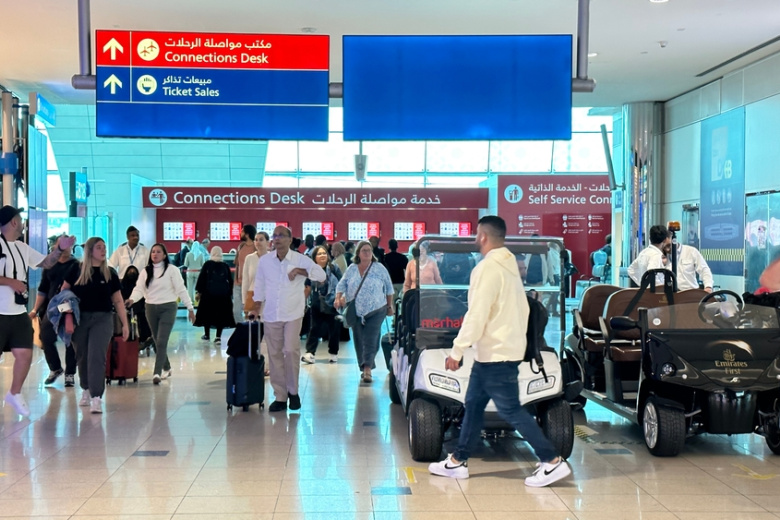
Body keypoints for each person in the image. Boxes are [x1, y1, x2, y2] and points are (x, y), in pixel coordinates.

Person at [427, 216, 572, 487]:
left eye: (476, 234)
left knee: (511, 409)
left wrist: (457, 351)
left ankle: (552, 461)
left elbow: (477, 314)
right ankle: (457, 461)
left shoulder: (487, 269)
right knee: (473, 405)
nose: (475, 239)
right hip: (499, 351)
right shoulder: (509, 266)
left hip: (496, 353)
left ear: (483, 236)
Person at [1, 206, 77, 416]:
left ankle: (14, 393)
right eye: (20, 219)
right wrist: (11, 282)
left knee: (25, 354)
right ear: (14, 222)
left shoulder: (22, 247)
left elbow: (46, 263)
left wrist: (59, 249)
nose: (23, 223)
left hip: (18, 312)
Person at [250, 226, 325, 412]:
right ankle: (280, 396)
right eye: (275, 235)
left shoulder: (300, 259)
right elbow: (259, 284)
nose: (277, 239)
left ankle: (293, 391)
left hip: (293, 313)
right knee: (274, 354)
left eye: (281, 235)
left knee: (290, 350)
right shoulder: (265, 261)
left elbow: (321, 275)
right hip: (271, 314)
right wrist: (256, 307)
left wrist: (300, 271)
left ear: (290, 239)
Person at [62, 236, 128, 414]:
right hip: (79, 318)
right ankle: (86, 388)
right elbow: (63, 292)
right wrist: (67, 315)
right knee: (82, 356)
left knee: (96, 357)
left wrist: (125, 324)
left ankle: (96, 396)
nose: (103, 250)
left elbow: (118, 300)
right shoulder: (76, 269)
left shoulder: (110, 273)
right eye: (99, 247)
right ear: (90, 250)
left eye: (104, 247)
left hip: (103, 318)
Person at [125, 243, 196, 384]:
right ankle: (167, 367)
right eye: (153, 252)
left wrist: (190, 308)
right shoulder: (146, 271)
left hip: (168, 307)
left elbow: (181, 289)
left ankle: (157, 372)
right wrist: (132, 299)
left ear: (164, 255)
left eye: (158, 252)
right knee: (157, 341)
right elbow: (139, 289)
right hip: (150, 308)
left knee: (162, 340)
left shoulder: (172, 270)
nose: (155, 254)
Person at [335, 240, 394, 383]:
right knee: (359, 339)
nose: (367, 253)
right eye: (364, 250)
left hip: (377, 309)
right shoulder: (352, 269)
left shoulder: (379, 268)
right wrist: (338, 297)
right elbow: (341, 284)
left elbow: (389, 288)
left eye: (369, 250)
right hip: (356, 310)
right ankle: (364, 364)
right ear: (358, 254)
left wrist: (389, 305)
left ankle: (367, 368)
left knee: (370, 338)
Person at [30, 242, 79, 387]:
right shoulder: (50, 265)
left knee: (70, 339)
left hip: (70, 306)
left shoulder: (76, 265)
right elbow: (43, 289)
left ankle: (70, 373)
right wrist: (34, 309)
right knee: (45, 336)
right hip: (53, 307)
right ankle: (55, 368)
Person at [302, 245, 342, 365]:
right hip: (317, 303)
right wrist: (301, 302)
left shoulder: (334, 268)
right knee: (314, 328)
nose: (322, 255)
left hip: (332, 302)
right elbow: (307, 287)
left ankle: (333, 353)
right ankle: (310, 353)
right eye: (319, 254)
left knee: (333, 328)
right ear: (314, 257)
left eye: (324, 253)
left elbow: (342, 283)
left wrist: (340, 298)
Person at [241, 231, 270, 375]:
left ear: (268, 242)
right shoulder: (249, 258)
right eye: (256, 239)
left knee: (266, 334)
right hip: (253, 297)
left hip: (269, 300)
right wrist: (244, 302)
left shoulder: (273, 258)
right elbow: (246, 281)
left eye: (261, 239)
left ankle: (266, 365)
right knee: (253, 333)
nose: (258, 242)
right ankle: (253, 363)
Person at [194, 246, 236, 343]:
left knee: (207, 315)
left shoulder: (207, 264)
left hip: (208, 295)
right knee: (220, 316)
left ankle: (207, 335)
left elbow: (202, 279)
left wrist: (198, 292)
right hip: (223, 296)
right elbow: (230, 281)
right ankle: (218, 337)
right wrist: (230, 294)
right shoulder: (225, 265)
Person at [233, 224, 257, 325]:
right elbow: (237, 263)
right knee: (236, 310)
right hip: (238, 282)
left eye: (242, 231)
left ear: (247, 234)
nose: (240, 233)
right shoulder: (241, 246)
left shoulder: (255, 247)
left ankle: (250, 328)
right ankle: (240, 328)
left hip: (250, 283)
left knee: (249, 310)